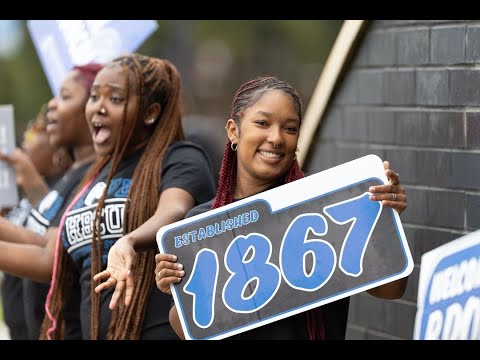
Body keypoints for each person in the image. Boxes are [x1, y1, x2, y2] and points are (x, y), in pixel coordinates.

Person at [155, 76, 408, 340]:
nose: (276, 138)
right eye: (262, 123)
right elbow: (190, 333)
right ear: (233, 130)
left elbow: (390, 291)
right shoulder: (201, 224)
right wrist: (177, 290)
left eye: (290, 128)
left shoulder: (325, 203)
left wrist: (385, 219)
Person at [41, 53, 215, 340]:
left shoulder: (181, 158)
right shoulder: (94, 176)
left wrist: (130, 240)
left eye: (115, 99)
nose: (99, 107)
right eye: (94, 96)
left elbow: (173, 211)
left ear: (150, 112)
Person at [0, 63, 102, 339]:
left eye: (65, 97)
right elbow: (45, 238)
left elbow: (53, 255)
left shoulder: (98, 178)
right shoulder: (75, 173)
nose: (52, 107)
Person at [0, 104, 72, 340]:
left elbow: (49, 236)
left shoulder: (65, 185)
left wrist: (31, 179)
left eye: (33, 134)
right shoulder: (21, 197)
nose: (25, 142)